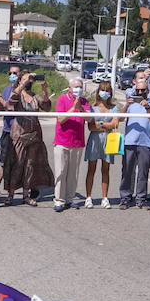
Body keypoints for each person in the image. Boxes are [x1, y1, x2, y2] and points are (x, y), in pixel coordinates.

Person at [8, 73, 55, 206]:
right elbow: (12, 101)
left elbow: (47, 108)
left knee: (30, 166)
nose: (29, 81)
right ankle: (10, 195)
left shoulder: (35, 96)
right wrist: (22, 83)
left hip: (34, 135)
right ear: (20, 81)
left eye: (30, 79)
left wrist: (45, 91)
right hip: (19, 134)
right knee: (17, 164)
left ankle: (26, 195)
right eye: (25, 79)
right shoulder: (17, 93)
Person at [53, 80, 89, 212]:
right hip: (62, 142)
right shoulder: (62, 99)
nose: (78, 89)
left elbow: (90, 119)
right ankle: (59, 200)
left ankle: (69, 199)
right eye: (76, 87)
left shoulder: (84, 102)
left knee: (73, 173)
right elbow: (61, 119)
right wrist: (73, 108)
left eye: (80, 87)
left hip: (77, 142)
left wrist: (80, 108)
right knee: (61, 172)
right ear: (69, 88)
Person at [118, 83, 150, 209]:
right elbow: (120, 119)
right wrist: (127, 104)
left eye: (142, 90)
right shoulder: (130, 104)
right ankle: (125, 198)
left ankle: (141, 198)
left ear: (147, 91)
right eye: (137, 90)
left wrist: (148, 107)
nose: (140, 93)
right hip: (130, 141)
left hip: (146, 142)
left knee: (143, 172)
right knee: (127, 170)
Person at [83, 80, 118, 209]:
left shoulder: (114, 108)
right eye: (102, 90)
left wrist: (101, 124)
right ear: (98, 92)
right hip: (94, 140)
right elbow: (91, 126)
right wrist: (105, 125)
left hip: (109, 140)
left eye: (107, 90)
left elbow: (115, 124)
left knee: (106, 169)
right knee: (91, 169)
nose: (105, 92)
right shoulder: (92, 107)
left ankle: (104, 197)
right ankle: (88, 197)